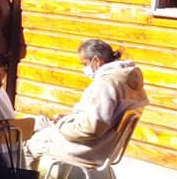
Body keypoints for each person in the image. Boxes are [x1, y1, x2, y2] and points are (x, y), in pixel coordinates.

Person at [26, 39, 150, 167]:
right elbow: (100, 117)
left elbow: (92, 129)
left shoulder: (107, 84)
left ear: (96, 61)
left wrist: (61, 126)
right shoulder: (124, 79)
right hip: (104, 146)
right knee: (38, 122)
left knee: (31, 143)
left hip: (88, 149)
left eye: (84, 64)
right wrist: (71, 118)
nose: (84, 69)